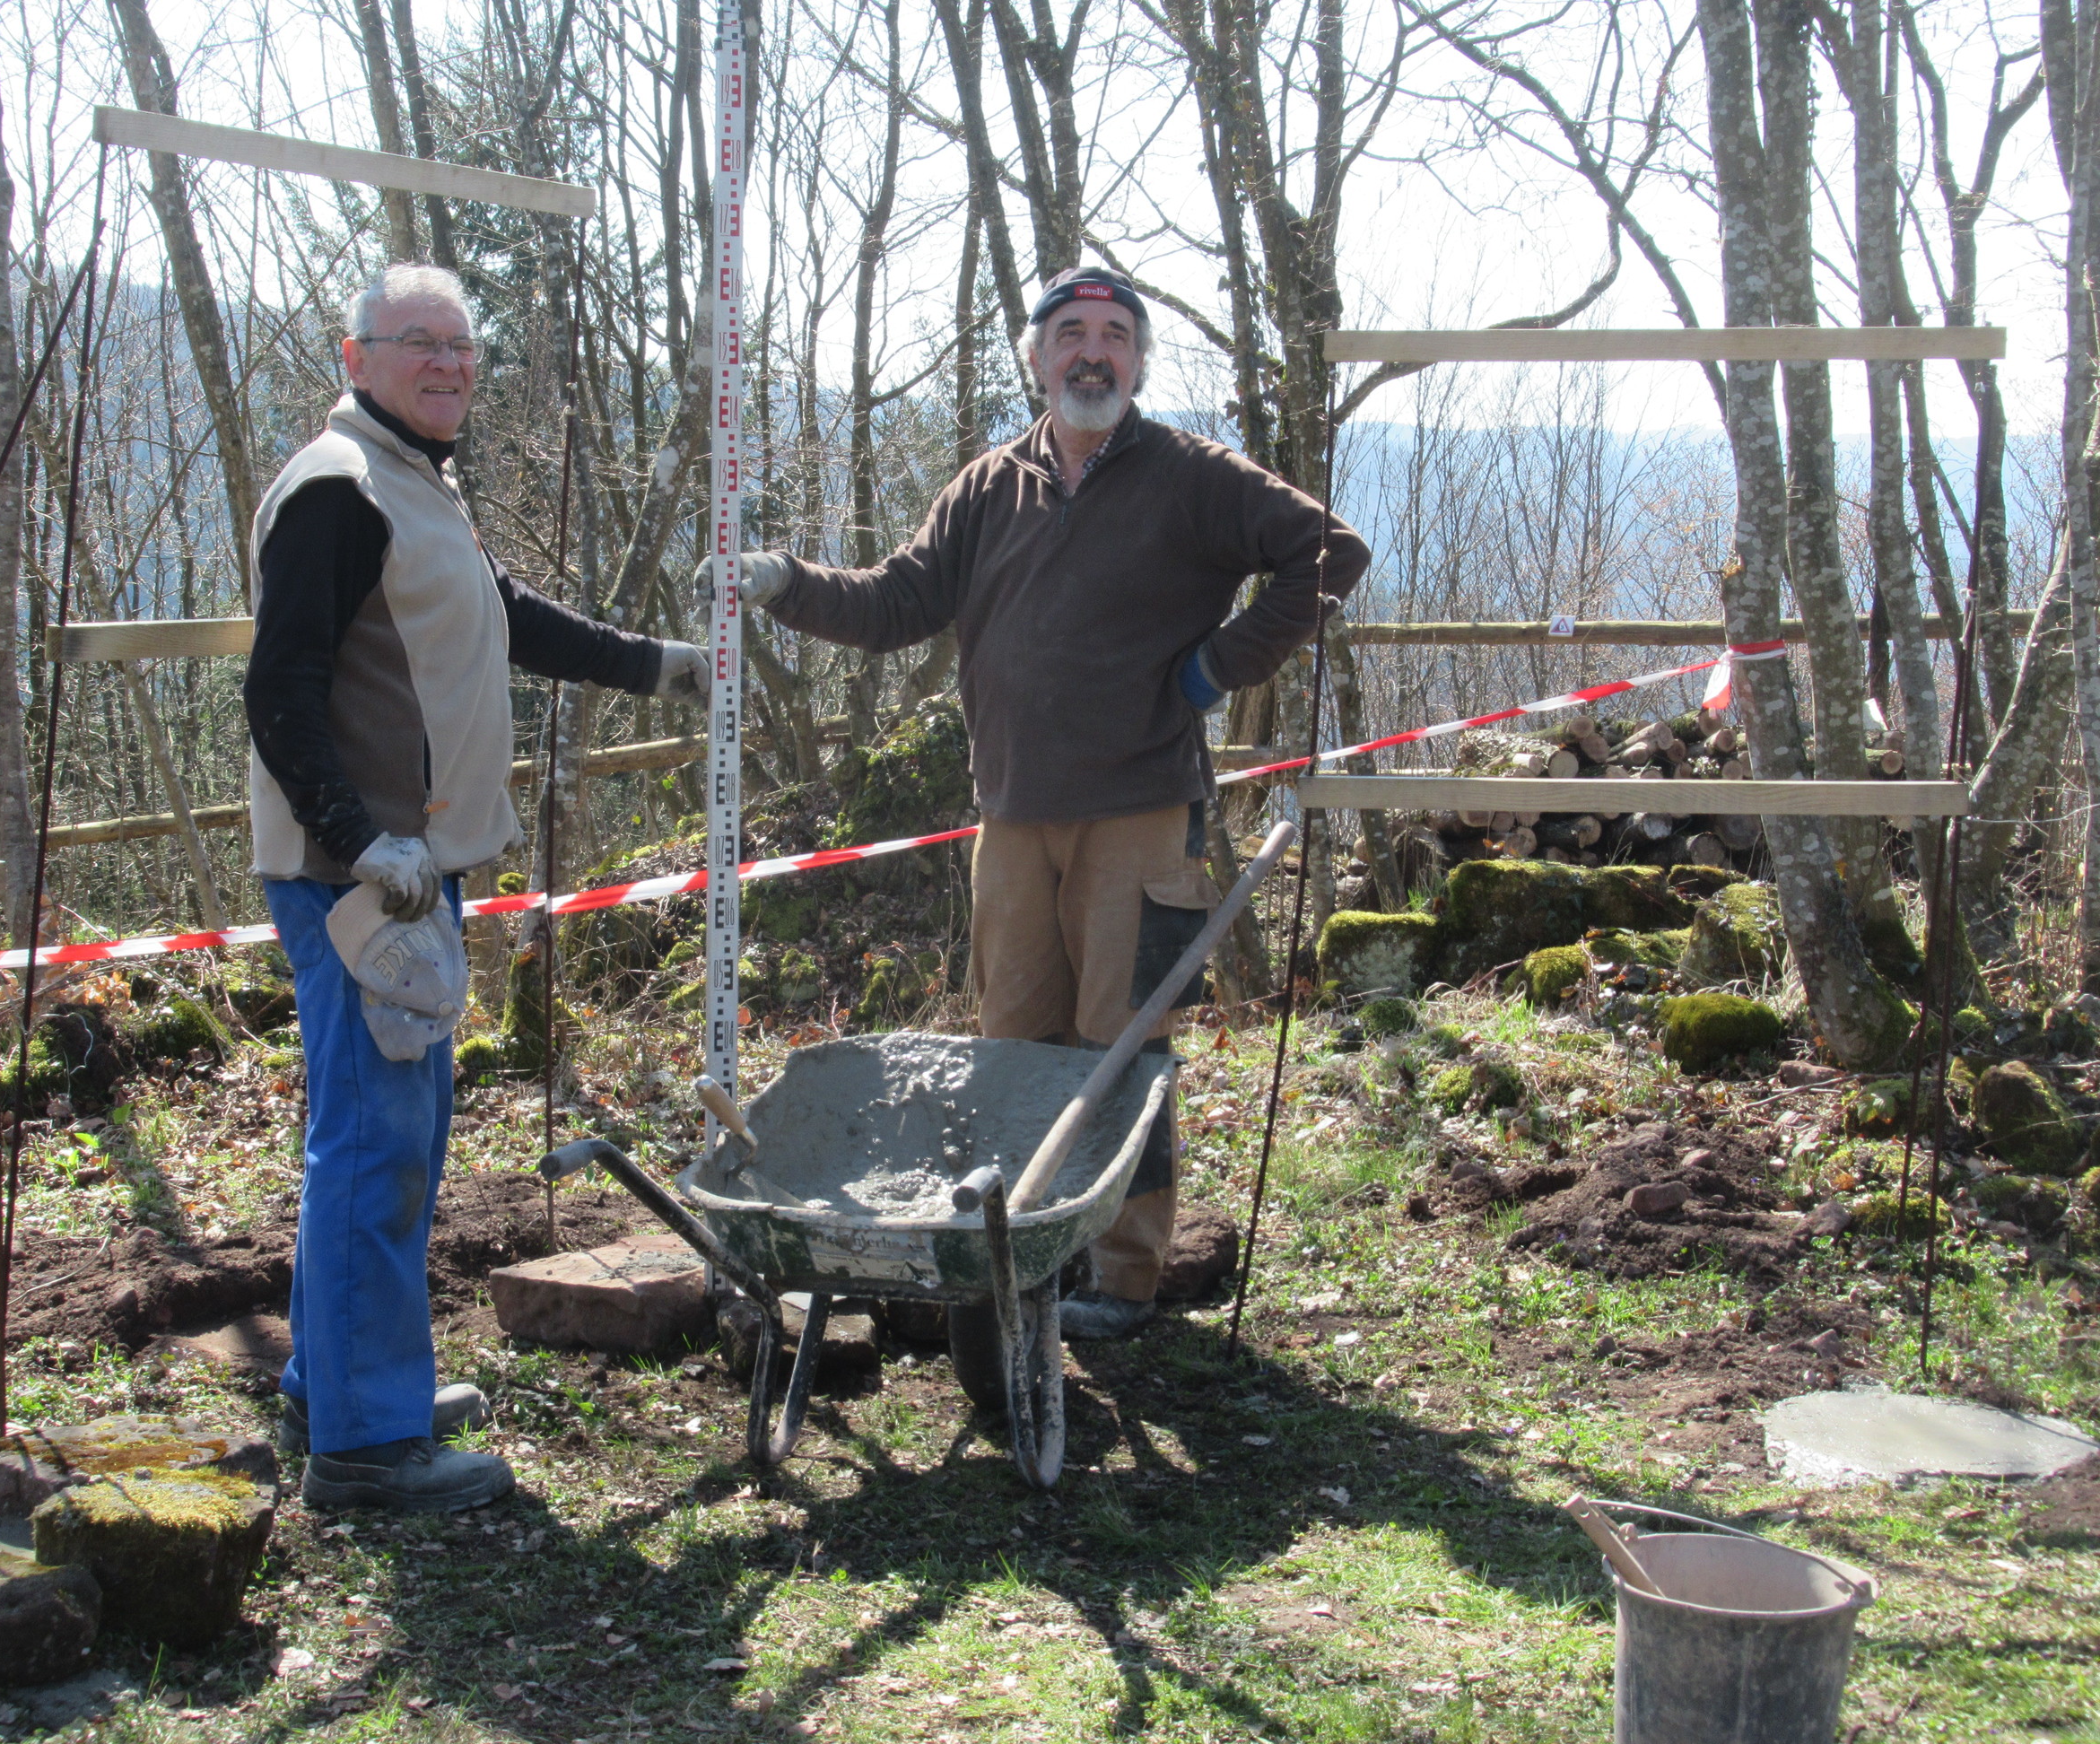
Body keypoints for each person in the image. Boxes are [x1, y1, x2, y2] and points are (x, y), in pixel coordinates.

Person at [702, 263, 1368, 1339]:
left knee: (1121, 1052)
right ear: (1036, 356)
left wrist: (1217, 668)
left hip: (1140, 812)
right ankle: (1021, 1262)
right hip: (1011, 815)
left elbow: (1331, 551)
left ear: (1138, 361)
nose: (1092, 353)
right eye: (1071, 333)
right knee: (1011, 1050)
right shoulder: (987, 489)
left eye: (1114, 334)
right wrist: (785, 582)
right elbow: (897, 603)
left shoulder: (1192, 477)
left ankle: (1124, 1279)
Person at [245, 263, 710, 1509]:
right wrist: (357, 837)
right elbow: (279, 686)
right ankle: (367, 1446)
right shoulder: (339, 492)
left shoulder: (412, 483)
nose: (447, 364)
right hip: (363, 882)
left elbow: (504, 616)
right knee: (378, 1144)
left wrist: (655, 666)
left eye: (460, 346)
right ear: (356, 358)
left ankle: (338, 1386)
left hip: (408, 871)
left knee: (383, 1132)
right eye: (418, 342)